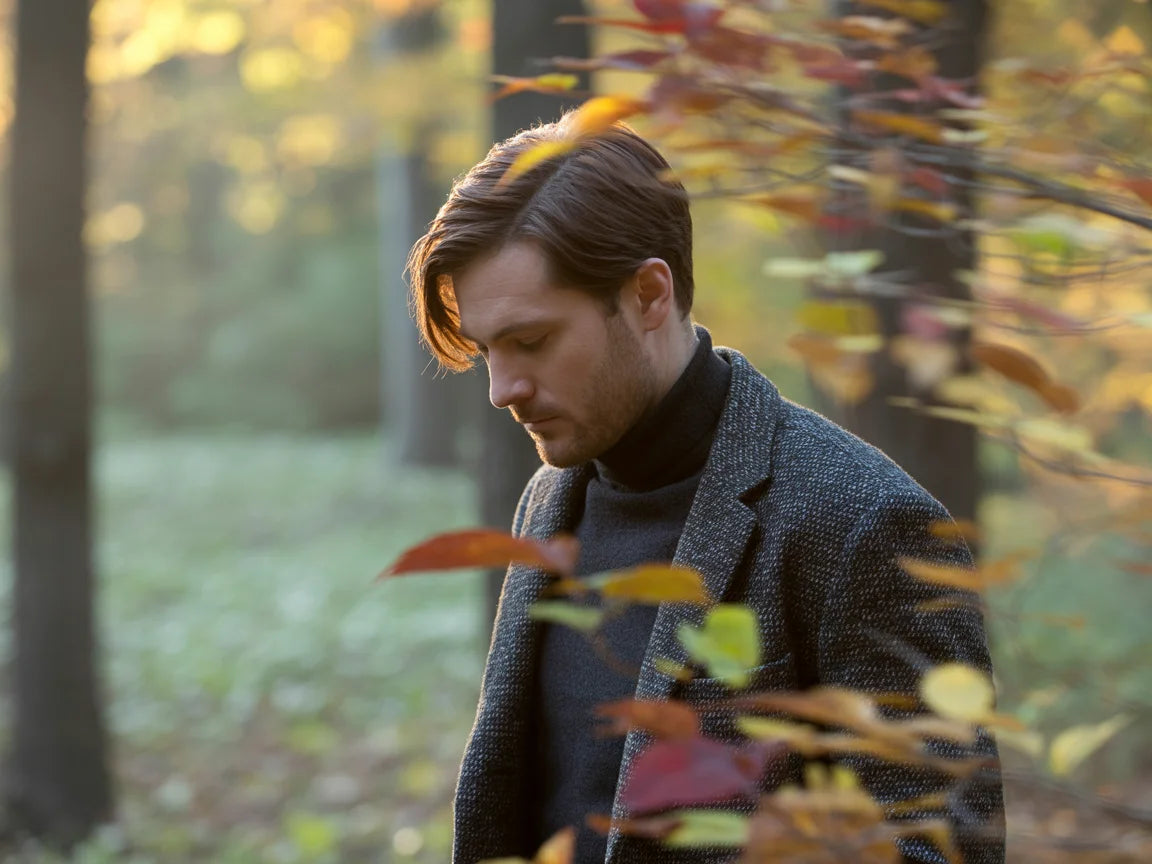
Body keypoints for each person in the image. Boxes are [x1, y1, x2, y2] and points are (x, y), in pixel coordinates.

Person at [405, 114, 1003, 864]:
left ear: (650, 295)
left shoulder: (866, 525)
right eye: (488, 350)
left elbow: (937, 849)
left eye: (531, 341)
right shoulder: (547, 497)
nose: (502, 389)